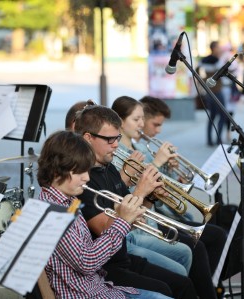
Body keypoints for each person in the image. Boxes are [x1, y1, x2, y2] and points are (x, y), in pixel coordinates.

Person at [74, 105, 196, 299]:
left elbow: (134, 219)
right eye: (110, 139)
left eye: (117, 138)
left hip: (123, 256)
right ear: (88, 138)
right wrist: (140, 190)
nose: (116, 144)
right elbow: (105, 229)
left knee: (182, 281)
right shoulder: (83, 180)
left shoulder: (108, 168)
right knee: (170, 288)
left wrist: (150, 196)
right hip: (107, 268)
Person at [37, 130, 170, 299]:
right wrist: (122, 221)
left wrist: (127, 220)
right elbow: (86, 262)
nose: (87, 178)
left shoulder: (66, 201)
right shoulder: (54, 212)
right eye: (80, 172)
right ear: (57, 172)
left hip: (100, 286)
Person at [138, 96, 228, 299]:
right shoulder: (138, 152)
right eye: (155, 124)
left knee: (217, 234)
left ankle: (206, 286)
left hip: (163, 213)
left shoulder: (144, 148)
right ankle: (203, 289)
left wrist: (171, 174)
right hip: (154, 217)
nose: (158, 130)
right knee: (201, 244)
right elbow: (144, 190)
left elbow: (162, 189)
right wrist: (159, 163)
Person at [111, 96, 192, 277]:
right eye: (136, 119)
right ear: (120, 121)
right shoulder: (119, 155)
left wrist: (170, 172)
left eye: (142, 119)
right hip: (140, 228)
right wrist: (157, 163)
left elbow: (160, 195)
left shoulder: (139, 148)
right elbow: (127, 195)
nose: (141, 123)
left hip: (150, 221)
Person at [197, 41, 226, 146]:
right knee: (222, 115)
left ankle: (209, 140)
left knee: (212, 116)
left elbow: (196, 70)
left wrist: (203, 80)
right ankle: (219, 139)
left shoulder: (204, 60)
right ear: (214, 48)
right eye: (218, 47)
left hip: (209, 91)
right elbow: (223, 72)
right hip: (217, 91)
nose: (220, 49)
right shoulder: (218, 60)